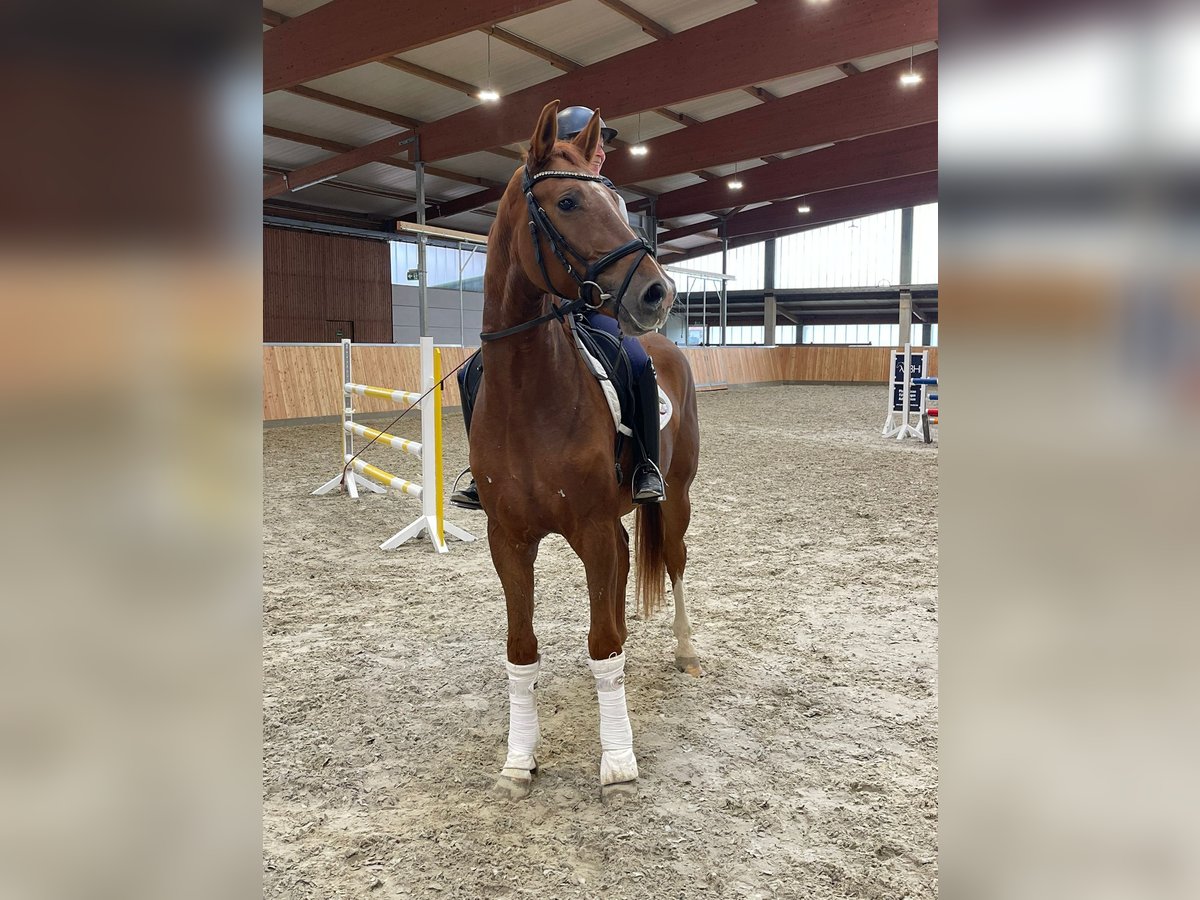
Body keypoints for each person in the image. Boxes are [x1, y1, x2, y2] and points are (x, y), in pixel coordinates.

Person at [451, 105, 666, 509]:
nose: (600, 150)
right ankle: (484, 474)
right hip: (551, 308)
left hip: (596, 310)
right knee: (471, 372)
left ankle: (646, 465)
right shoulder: (552, 189)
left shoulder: (607, 196)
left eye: (603, 144)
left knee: (639, 361)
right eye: (591, 142)